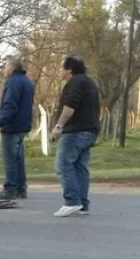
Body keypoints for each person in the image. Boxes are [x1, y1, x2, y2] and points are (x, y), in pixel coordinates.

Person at [51, 54, 100, 217]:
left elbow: (70, 105)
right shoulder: (89, 82)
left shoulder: (75, 82)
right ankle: (82, 204)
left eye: (61, 67)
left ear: (69, 69)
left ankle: (72, 201)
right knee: (79, 166)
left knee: (63, 163)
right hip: (90, 130)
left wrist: (59, 126)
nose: (60, 71)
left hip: (75, 130)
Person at [0, 55, 35, 200]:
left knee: (10, 158)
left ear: (11, 68)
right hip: (23, 125)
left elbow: (10, 105)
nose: (3, 71)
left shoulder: (12, 82)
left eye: (5, 67)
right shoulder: (27, 82)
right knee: (18, 158)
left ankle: (10, 188)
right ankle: (21, 188)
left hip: (12, 125)